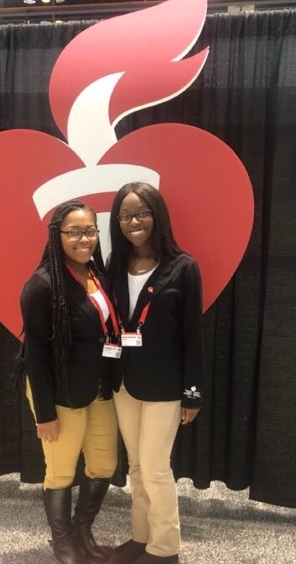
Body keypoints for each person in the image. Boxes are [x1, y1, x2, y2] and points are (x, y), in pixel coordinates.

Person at [107, 182, 204, 564]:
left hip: (165, 385)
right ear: (118, 221)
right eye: (127, 215)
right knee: (134, 466)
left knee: (155, 467)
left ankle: (166, 550)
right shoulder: (115, 265)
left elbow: (192, 335)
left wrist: (193, 392)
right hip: (123, 382)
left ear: (157, 215)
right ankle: (140, 537)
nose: (134, 221)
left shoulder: (183, 268)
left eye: (142, 212)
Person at [20, 199, 120, 564]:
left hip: (99, 388)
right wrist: (45, 413)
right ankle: (63, 544)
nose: (84, 239)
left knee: (104, 464)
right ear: (57, 236)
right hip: (60, 393)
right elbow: (34, 355)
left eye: (90, 231)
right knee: (61, 470)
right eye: (74, 232)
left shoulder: (99, 274)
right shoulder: (42, 285)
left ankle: (82, 531)